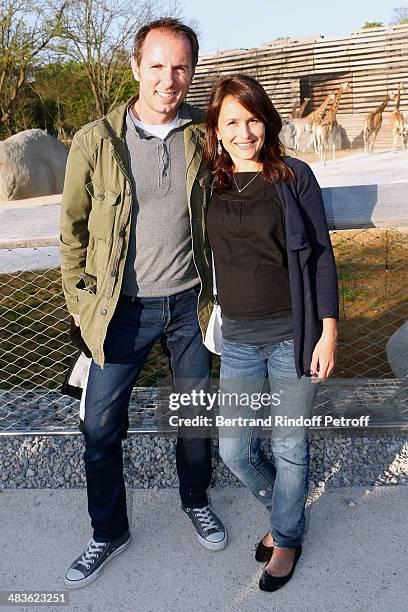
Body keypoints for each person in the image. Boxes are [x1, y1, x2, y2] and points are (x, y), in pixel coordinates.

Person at [59, 17, 227, 590]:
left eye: (180, 66)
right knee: (101, 426)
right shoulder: (96, 141)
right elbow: (72, 235)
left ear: (192, 71)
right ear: (135, 67)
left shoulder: (206, 136)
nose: (168, 78)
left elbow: (248, 184)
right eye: (156, 65)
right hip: (121, 312)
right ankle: (109, 531)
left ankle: (195, 500)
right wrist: (83, 305)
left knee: (195, 417)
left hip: (189, 308)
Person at [204, 75, 339, 592]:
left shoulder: (293, 177)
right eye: (231, 122)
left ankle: (285, 538)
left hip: (293, 337)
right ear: (216, 128)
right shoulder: (209, 183)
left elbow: (322, 258)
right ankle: (286, 514)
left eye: (252, 119)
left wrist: (327, 334)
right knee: (235, 450)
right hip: (237, 339)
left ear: (268, 121)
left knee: (289, 446)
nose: (243, 132)